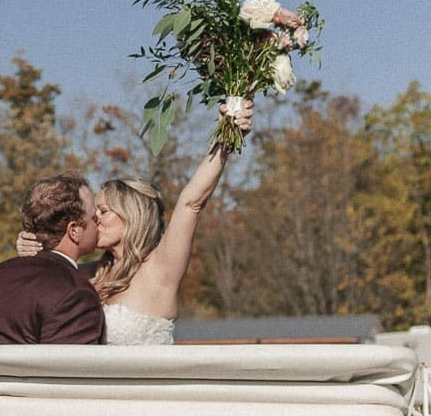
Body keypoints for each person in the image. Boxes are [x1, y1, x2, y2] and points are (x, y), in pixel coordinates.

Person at [13, 99, 254, 344]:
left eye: (103, 211)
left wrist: (225, 141)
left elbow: (190, 204)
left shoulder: (161, 268)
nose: (94, 218)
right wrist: (34, 248)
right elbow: (44, 278)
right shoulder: (89, 274)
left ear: (131, 215)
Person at [0, 175, 105, 345]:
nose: (99, 222)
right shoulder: (74, 292)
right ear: (74, 230)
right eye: (94, 218)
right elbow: (72, 368)